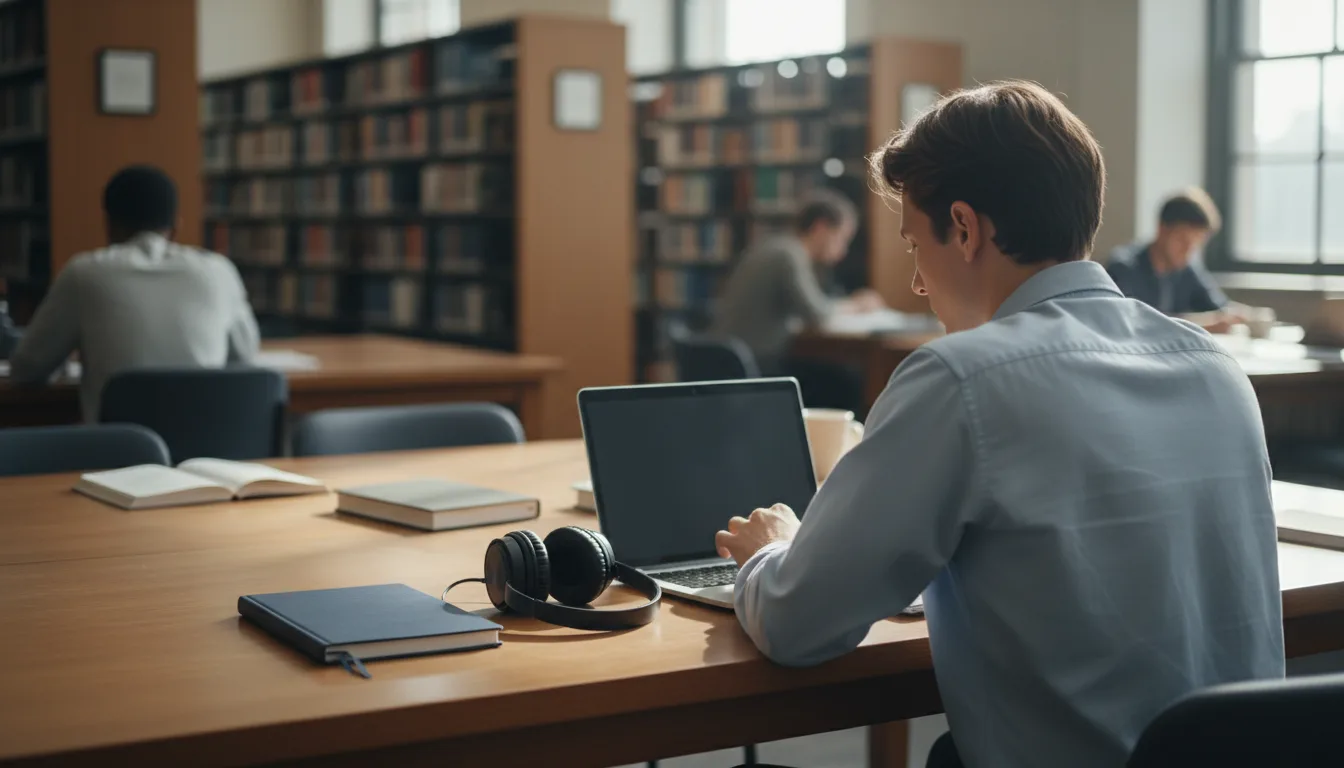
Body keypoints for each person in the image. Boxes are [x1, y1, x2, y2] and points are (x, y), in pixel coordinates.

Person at [715, 82, 1283, 768]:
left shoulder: (961, 379)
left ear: (963, 226)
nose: (919, 284)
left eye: (914, 245)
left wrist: (773, 551)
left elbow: (796, 622)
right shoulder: (1217, 370)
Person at [10, 165, 260, 421]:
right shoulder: (219, 271)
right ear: (176, 227)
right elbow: (245, 358)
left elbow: (26, 369)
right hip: (209, 453)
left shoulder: (84, 273)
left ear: (109, 225)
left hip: (120, 455)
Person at [713, 189, 884, 410]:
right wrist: (856, 305)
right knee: (847, 381)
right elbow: (817, 314)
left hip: (732, 360)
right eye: (841, 238)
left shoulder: (773, 247)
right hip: (757, 364)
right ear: (821, 228)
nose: (843, 251)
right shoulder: (789, 255)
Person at [1107, 189, 1255, 332]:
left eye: (1195, 245)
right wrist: (1203, 324)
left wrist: (1246, 316)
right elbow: (1134, 322)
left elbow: (1218, 307)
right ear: (1162, 229)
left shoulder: (1187, 269)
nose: (1187, 252)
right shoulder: (1124, 268)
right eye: (1182, 241)